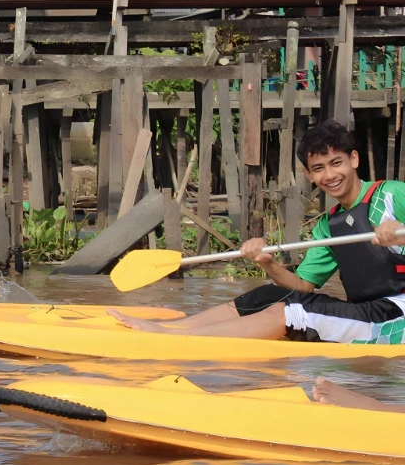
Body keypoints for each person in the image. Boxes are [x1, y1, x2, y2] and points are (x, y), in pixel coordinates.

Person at [112, 121, 405, 345]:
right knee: (270, 295)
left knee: (287, 314)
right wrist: (267, 263)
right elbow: (302, 287)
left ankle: (179, 342)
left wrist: (401, 234)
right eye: (319, 168)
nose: (329, 175)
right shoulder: (329, 224)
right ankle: (173, 330)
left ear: (353, 160)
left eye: (336, 163)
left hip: (396, 318)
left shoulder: (392, 195)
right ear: (309, 175)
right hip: (367, 311)